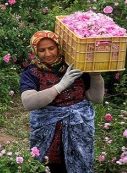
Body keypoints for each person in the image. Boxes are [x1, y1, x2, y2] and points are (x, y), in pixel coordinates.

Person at [19, 30, 105, 173]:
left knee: (79, 165)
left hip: (79, 129)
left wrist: (96, 74)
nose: (47, 54)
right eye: (41, 50)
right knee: (49, 166)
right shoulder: (31, 73)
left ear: (59, 47)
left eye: (51, 48)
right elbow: (29, 103)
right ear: (35, 51)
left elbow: (96, 98)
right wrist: (60, 85)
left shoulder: (75, 66)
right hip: (49, 132)